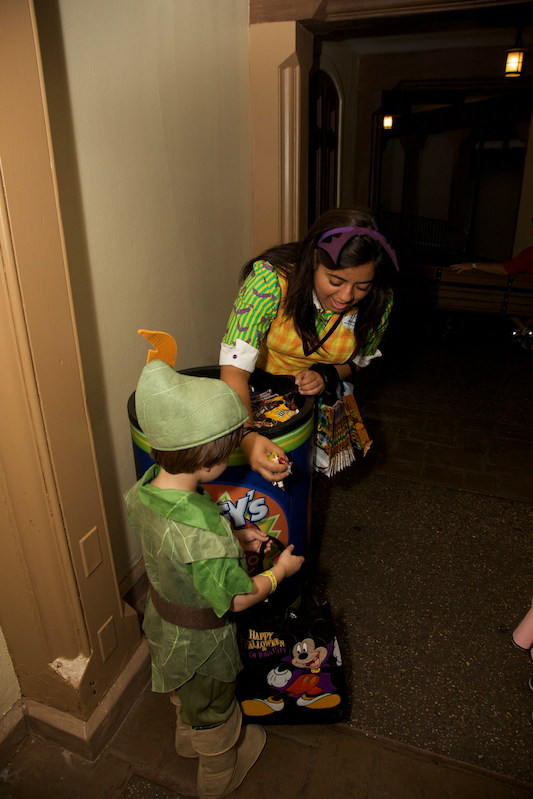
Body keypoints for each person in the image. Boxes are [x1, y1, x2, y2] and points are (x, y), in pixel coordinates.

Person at [125, 360, 304, 799]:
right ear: (205, 458)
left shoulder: (143, 491)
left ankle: (187, 741)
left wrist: (234, 537)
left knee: (187, 697)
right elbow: (238, 598)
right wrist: (279, 573)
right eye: (225, 452)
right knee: (214, 708)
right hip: (202, 645)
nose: (227, 461)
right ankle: (218, 774)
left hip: (164, 626)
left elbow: (178, 549)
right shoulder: (202, 531)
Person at [219, 207, 399, 482]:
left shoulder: (379, 301)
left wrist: (326, 374)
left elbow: (360, 360)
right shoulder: (270, 280)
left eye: (362, 286)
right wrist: (247, 434)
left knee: (301, 479)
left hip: (316, 402)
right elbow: (234, 369)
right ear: (314, 259)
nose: (346, 296)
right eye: (335, 281)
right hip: (252, 393)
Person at [450, 217, 533, 349]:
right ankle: (524, 331)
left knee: (505, 299)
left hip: (522, 300)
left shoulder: (530, 254)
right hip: (529, 302)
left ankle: (525, 331)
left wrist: (474, 265)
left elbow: (506, 269)